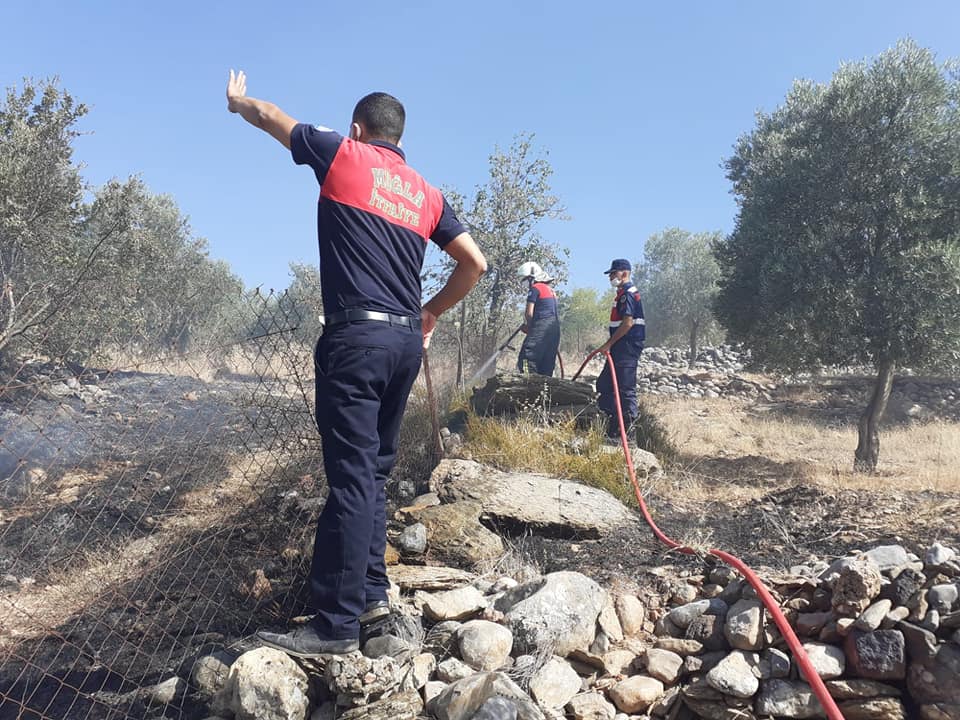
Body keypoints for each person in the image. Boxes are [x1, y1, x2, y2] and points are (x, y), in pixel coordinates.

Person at [225, 71, 487, 657]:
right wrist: (430, 314)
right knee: (372, 475)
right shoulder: (426, 194)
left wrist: (238, 101)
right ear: (401, 137)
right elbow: (475, 263)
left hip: (357, 342)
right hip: (403, 348)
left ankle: (334, 627)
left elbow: (271, 115)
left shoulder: (342, 154)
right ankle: (371, 597)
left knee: (350, 478)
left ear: (358, 129)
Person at [596, 258, 645, 439]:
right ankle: (614, 427)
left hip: (627, 347)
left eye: (613, 273)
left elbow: (627, 323)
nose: (610, 277)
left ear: (624, 273)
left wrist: (608, 344)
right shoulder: (622, 294)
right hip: (619, 347)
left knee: (625, 389)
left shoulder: (628, 294)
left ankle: (629, 434)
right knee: (604, 385)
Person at [516, 261, 561, 376]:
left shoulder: (535, 288)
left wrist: (530, 327)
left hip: (542, 325)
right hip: (555, 329)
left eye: (525, 279)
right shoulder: (550, 290)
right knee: (547, 364)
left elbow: (529, 313)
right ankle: (545, 392)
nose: (524, 283)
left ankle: (528, 387)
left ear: (532, 277)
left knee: (526, 359)